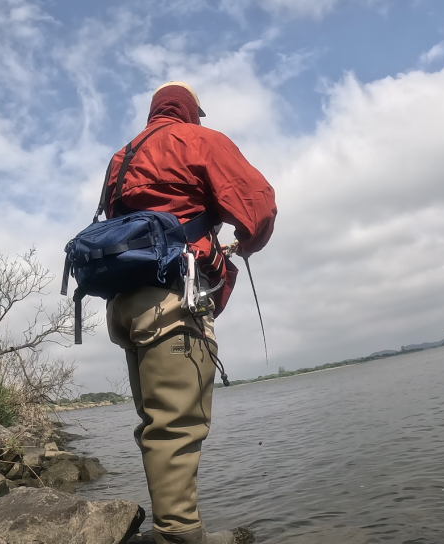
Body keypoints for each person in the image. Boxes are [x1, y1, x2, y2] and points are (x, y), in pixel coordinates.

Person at [104, 82, 277, 544]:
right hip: (172, 301)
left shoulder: (120, 158)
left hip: (125, 306)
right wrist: (246, 243)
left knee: (157, 423)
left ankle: (171, 531)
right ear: (189, 110)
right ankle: (180, 537)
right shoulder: (198, 140)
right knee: (178, 427)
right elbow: (258, 208)